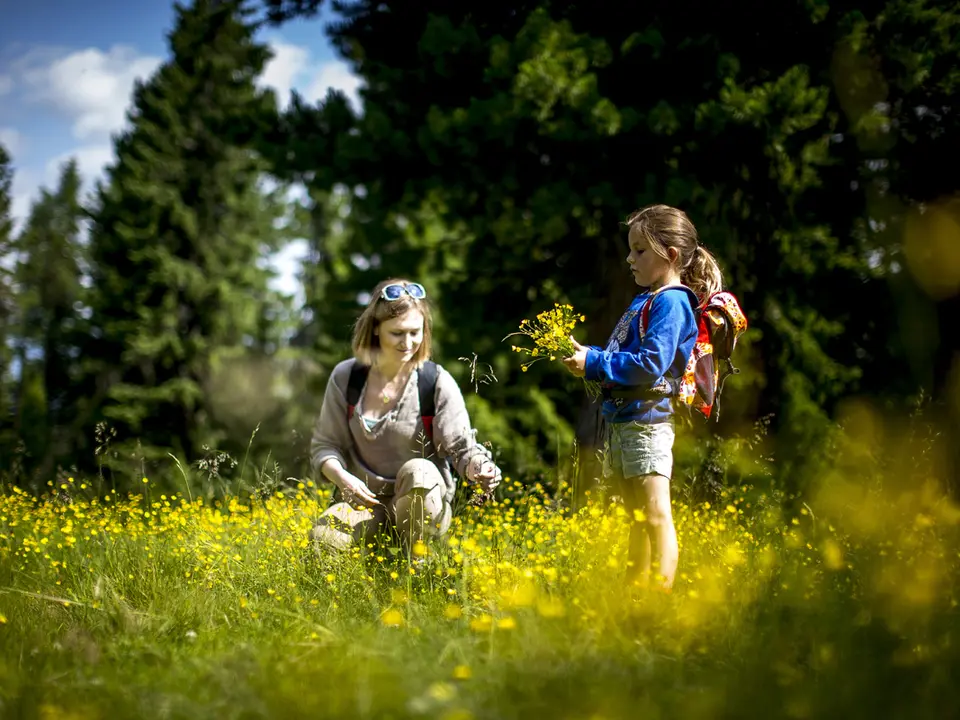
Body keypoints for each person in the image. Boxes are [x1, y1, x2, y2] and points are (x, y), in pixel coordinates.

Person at [562, 205, 724, 590]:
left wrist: (595, 362)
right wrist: (588, 359)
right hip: (626, 421)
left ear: (669, 255)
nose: (628, 258)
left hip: (648, 423)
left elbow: (650, 363)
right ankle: (635, 597)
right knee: (636, 518)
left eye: (639, 250)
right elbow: (628, 355)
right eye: (630, 249)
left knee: (654, 516)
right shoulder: (647, 299)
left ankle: (659, 601)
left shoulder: (671, 302)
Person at [309, 278, 502, 554]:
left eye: (416, 332)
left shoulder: (434, 381)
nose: (408, 343)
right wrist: (342, 478)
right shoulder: (346, 377)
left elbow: (461, 448)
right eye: (397, 333)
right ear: (376, 329)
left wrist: (480, 468)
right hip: (361, 504)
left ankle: (419, 568)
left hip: (421, 504)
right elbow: (325, 446)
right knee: (324, 541)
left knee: (420, 470)